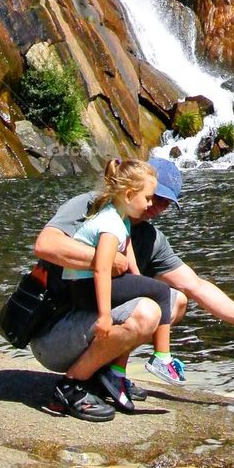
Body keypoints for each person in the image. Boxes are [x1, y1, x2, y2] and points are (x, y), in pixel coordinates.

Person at [31, 156, 234, 422]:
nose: (158, 207)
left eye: (166, 203)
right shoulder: (94, 206)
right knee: (148, 310)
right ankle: (72, 386)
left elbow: (195, 285)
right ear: (133, 189)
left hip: (90, 326)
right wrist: (105, 259)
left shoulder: (149, 238)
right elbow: (45, 245)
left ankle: (111, 374)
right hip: (54, 333)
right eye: (156, 197)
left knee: (176, 301)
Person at [61, 158, 185, 414]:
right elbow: (101, 268)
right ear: (129, 194)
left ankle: (114, 373)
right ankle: (162, 358)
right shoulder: (110, 224)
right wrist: (106, 316)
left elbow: (131, 266)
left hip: (88, 285)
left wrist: (143, 285)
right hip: (82, 288)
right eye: (149, 198)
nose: (152, 205)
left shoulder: (122, 219)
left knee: (155, 290)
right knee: (162, 291)